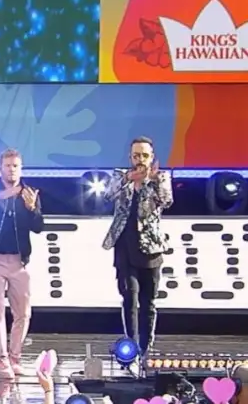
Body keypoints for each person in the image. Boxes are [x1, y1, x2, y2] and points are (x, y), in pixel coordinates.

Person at [0, 149, 44, 380]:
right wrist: (6, 195)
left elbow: (38, 227)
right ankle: (1, 359)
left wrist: (31, 209)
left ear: (21, 169)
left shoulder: (29, 193)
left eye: (15, 166)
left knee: (23, 313)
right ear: (0, 168)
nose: (12, 170)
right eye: (8, 166)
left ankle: (15, 357)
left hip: (19, 261)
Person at [102, 136, 173, 365]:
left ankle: (146, 349)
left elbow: (166, 201)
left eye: (144, 155)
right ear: (130, 157)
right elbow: (107, 195)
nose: (140, 160)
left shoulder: (161, 177)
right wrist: (127, 180)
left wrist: (152, 181)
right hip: (125, 245)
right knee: (129, 298)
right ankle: (130, 349)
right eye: (135, 155)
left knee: (148, 302)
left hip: (151, 248)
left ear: (151, 157)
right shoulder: (120, 176)